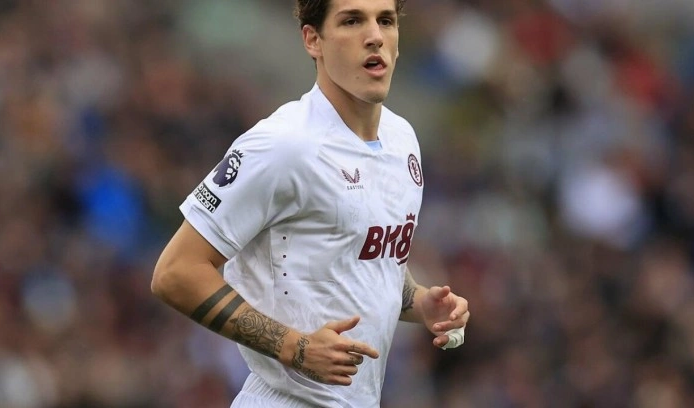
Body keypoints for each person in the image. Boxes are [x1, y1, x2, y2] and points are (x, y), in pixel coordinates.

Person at [151, 0, 470, 406]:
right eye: (352, 21)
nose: (375, 36)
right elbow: (175, 272)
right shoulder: (283, 145)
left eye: (386, 21)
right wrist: (294, 346)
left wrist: (421, 302)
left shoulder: (402, 139)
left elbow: (361, 256)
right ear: (313, 40)